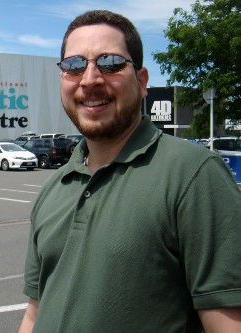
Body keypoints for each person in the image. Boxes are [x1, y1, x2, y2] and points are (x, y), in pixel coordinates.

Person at [18, 10, 241, 333]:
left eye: (110, 63)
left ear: (141, 81)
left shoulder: (193, 174)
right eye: (74, 65)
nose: (90, 79)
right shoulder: (55, 187)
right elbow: (35, 313)